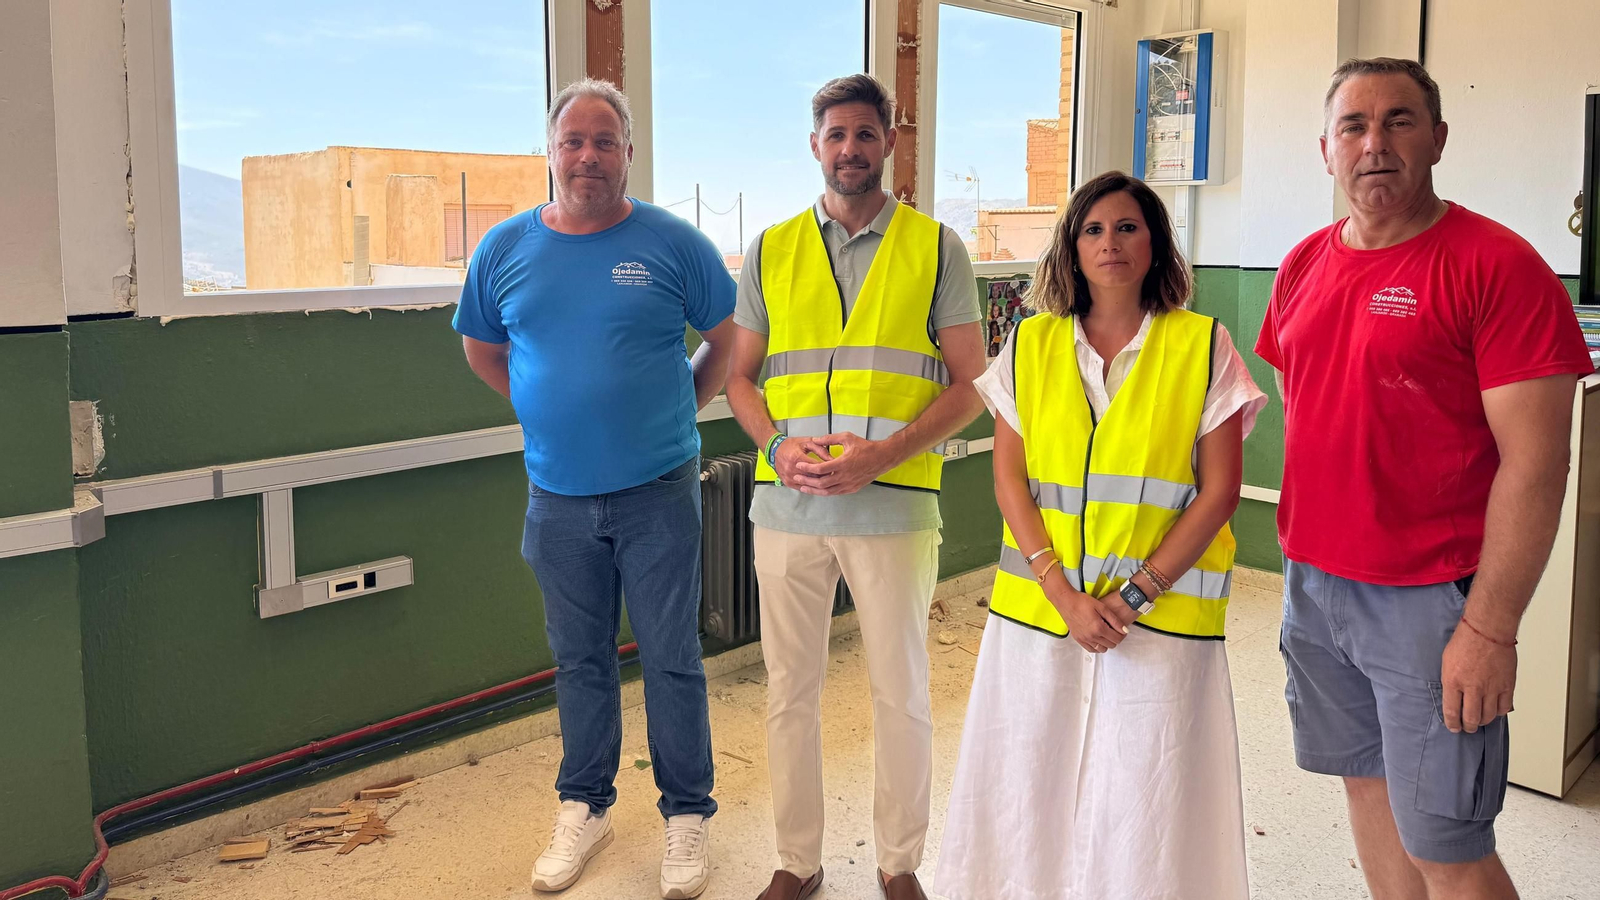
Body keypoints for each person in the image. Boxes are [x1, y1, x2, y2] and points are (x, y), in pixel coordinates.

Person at [1256, 58, 1593, 900]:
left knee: (1447, 843)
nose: (1376, 144)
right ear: (1325, 149)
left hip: (1432, 606)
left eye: (1400, 121)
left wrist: (1491, 626)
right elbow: (1306, 405)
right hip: (1316, 588)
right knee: (1368, 792)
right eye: (1355, 126)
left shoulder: (1498, 267)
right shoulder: (1301, 264)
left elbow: (1538, 464)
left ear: (1438, 138)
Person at [934, 171, 1266, 900]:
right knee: (1030, 781)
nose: (1110, 243)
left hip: (1160, 620)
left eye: (1127, 227)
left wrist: (1136, 595)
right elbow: (1010, 482)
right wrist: (1062, 592)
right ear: (1071, 249)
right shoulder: (1029, 345)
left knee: (1148, 796)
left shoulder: (1203, 346)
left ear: (1155, 244)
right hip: (1042, 616)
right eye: (1093, 229)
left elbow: (1218, 493)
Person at [453, 78, 737, 900]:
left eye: (604, 141)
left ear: (629, 154)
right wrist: (546, 410)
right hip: (558, 500)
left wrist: (684, 402)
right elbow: (483, 349)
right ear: (550, 152)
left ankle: (687, 814)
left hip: (658, 492)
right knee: (580, 662)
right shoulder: (503, 250)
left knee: (672, 659)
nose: (587, 156)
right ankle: (586, 804)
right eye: (572, 140)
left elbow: (726, 337)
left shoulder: (673, 243)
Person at [723, 73, 986, 900]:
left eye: (864, 135)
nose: (849, 150)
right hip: (787, 506)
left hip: (895, 502)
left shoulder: (936, 248)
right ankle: (796, 863)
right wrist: (774, 446)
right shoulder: (769, 249)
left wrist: (883, 455)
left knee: (900, 690)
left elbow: (971, 384)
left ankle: (899, 864)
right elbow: (739, 379)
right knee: (788, 692)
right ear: (815, 146)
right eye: (835, 135)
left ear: (889, 142)